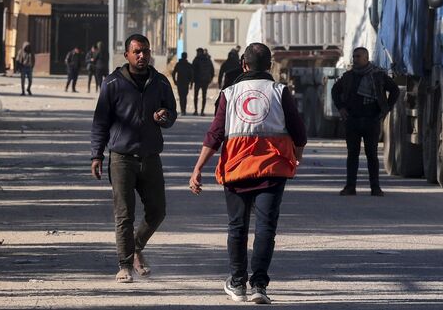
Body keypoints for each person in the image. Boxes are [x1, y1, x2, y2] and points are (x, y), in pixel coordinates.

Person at [189, 42, 307, 304]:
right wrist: (295, 158)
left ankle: (238, 283)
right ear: (270, 66)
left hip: (236, 169)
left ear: (243, 65)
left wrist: (198, 168)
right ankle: (260, 286)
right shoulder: (279, 91)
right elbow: (299, 133)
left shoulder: (229, 93)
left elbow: (215, 134)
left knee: (237, 227)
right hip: (272, 170)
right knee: (266, 227)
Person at [90, 34, 177, 283]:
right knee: (124, 215)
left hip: (150, 157)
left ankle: (137, 246)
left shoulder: (160, 82)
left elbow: (172, 113)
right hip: (121, 158)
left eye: (146, 52)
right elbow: (100, 122)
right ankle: (125, 265)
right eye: (137, 51)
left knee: (157, 211)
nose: (142, 56)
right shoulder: (113, 83)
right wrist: (96, 154)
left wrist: (165, 116)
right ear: (126, 55)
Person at [331, 47, 399, 196]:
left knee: (372, 155)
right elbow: (335, 91)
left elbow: (394, 90)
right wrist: (341, 108)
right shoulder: (349, 76)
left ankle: (375, 187)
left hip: (371, 120)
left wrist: (385, 109)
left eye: (358, 56)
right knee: (352, 154)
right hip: (352, 120)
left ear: (366, 58)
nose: (355, 59)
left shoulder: (377, 76)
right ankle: (350, 187)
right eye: (354, 56)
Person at [192, 48, 215, 116]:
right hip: (205, 81)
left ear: (199, 52)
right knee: (204, 96)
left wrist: (192, 80)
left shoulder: (196, 59)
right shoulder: (208, 59)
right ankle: (202, 111)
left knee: (196, 96)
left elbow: (192, 70)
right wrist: (210, 79)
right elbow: (212, 70)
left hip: (197, 81)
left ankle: (196, 111)